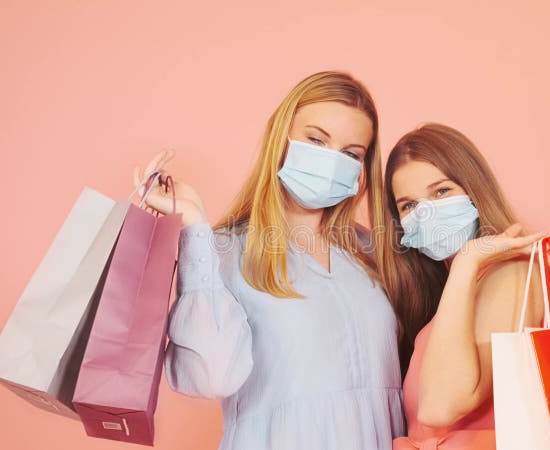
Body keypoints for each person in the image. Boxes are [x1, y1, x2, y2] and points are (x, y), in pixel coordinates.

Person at [134, 71, 405, 450]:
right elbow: (211, 377)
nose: (330, 161)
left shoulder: (373, 251)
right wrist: (195, 225)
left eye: (350, 154)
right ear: (283, 138)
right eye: (316, 140)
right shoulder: (225, 250)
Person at [379, 123, 550, 449]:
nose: (426, 213)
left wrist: (468, 261)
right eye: (409, 205)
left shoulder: (511, 275)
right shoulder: (453, 293)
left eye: (441, 191)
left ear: (474, 189)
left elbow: (441, 406)